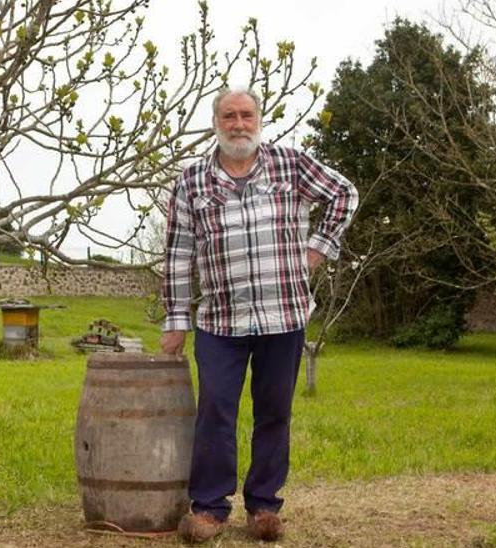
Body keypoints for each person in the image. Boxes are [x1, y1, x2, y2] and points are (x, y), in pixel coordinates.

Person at [160, 88, 358, 543]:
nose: (238, 124)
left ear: (259, 119)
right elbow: (177, 254)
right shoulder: (191, 182)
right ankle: (209, 508)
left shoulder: (290, 165)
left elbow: (345, 193)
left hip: (283, 315)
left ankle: (265, 506)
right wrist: (175, 319)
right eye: (229, 116)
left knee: (274, 413)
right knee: (215, 412)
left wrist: (318, 248)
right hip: (220, 321)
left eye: (246, 115)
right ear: (216, 122)